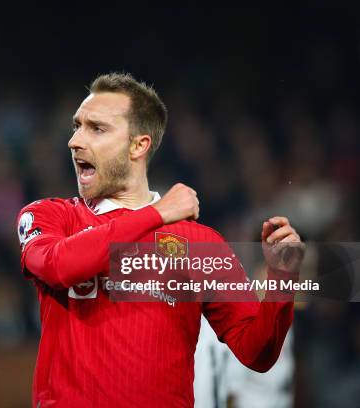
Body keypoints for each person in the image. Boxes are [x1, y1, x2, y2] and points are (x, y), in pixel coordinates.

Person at [16, 73, 303, 407]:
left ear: (139, 145)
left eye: (96, 128)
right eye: (76, 125)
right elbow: (57, 265)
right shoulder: (51, 217)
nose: (75, 140)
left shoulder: (198, 244)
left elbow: (258, 352)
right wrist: (158, 213)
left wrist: (282, 279)